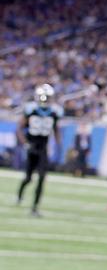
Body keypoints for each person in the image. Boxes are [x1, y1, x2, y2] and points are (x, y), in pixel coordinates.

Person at [16, 84, 63, 217]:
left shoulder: (54, 112)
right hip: (32, 146)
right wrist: (25, 143)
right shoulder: (31, 109)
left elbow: (56, 129)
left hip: (43, 148)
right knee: (28, 178)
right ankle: (20, 194)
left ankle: (34, 208)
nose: (45, 99)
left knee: (42, 177)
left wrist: (59, 145)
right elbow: (19, 128)